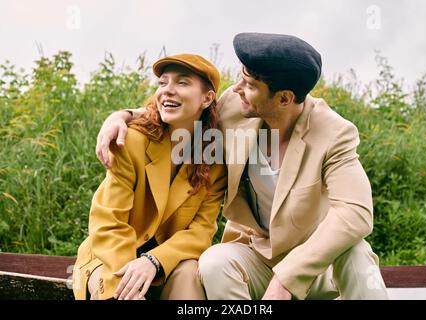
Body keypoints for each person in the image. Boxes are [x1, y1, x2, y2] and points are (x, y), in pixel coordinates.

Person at [95, 33, 388, 300]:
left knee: (357, 254)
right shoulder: (236, 108)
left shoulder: (334, 133)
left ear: (284, 98)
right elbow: (182, 111)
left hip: (318, 266)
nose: (236, 89)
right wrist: (122, 116)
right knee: (214, 262)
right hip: (258, 256)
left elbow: (356, 213)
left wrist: (287, 278)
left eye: (249, 85)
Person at [72, 54, 227, 300]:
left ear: (207, 98)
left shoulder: (213, 160)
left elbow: (201, 231)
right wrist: (130, 277)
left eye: (182, 83)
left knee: (189, 275)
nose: (168, 91)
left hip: (166, 263)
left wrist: (154, 260)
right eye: (163, 83)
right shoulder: (130, 141)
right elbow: (108, 222)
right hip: (111, 258)